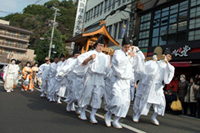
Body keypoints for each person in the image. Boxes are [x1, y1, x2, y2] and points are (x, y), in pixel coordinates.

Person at [133, 48, 175, 126]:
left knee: (161, 104)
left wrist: (166, 62)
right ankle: (137, 115)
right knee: (145, 102)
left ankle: (154, 117)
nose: (169, 58)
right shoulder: (157, 63)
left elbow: (170, 73)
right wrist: (155, 61)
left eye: (170, 57)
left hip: (159, 87)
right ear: (164, 55)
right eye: (168, 56)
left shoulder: (170, 67)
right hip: (151, 85)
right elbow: (148, 69)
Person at [76, 35, 110, 124]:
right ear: (95, 45)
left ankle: (93, 114)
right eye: (99, 45)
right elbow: (81, 62)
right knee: (86, 94)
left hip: (100, 78)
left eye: (102, 46)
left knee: (97, 96)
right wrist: (89, 58)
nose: (100, 47)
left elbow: (107, 69)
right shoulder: (89, 53)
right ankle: (82, 111)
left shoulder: (105, 57)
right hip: (90, 76)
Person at [104, 36, 136, 129]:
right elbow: (119, 63)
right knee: (116, 100)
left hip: (126, 82)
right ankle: (108, 114)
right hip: (117, 80)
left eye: (128, 47)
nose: (127, 49)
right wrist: (130, 56)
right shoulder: (118, 53)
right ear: (122, 46)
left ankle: (116, 120)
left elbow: (131, 69)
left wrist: (133, 80)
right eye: (125, 47)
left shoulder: (130, 55)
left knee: (125, 103)